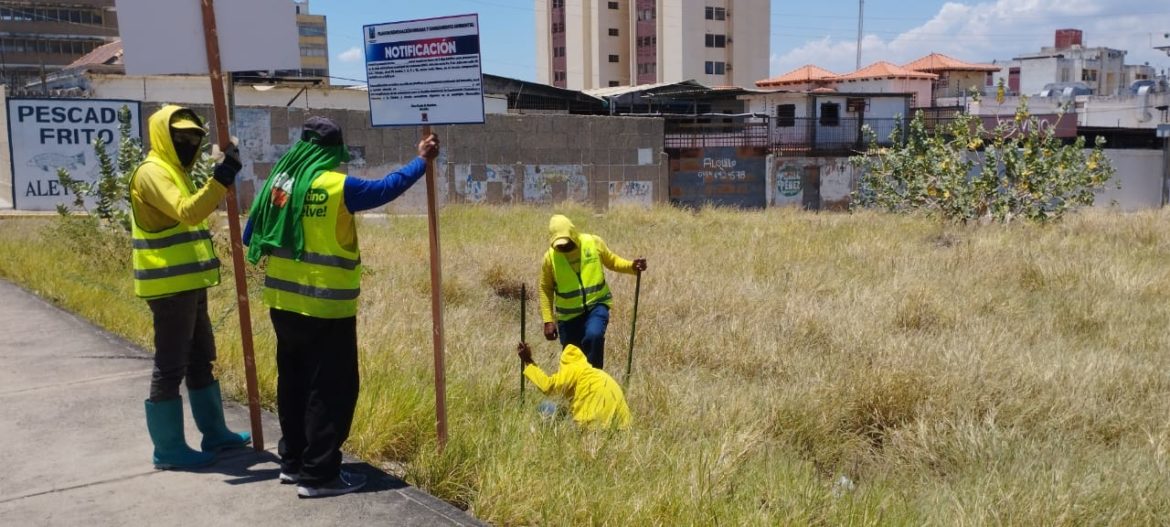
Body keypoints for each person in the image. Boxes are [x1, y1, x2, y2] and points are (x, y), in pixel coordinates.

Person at [244, 116, 439, 499]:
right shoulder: (336, 186)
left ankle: (293, 463)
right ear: (334, 150)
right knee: (329, 390)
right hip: (326, 307)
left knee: (293, 384)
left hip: (283, 304)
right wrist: (421, 161)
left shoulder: (278, 185)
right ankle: (319, 476)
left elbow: (252, 234)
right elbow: (386, 188)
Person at [130, 105, 250, 470]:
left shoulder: (174, 171)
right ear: (163, 136)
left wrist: (220, 172)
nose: (186, 143)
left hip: (190, 283)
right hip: (169, 288)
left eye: (192, 138)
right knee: (170, 367)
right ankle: (168, 450)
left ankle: (215, 434)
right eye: (179, 136)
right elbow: (188, 211)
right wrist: (222, 176)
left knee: (201, 359)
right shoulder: (153, 173)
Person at [539, 214, 647, 369]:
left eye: (566, 242)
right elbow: (545, 288)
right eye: (559, 244)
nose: (564, 247)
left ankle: (596, 381)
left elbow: (613, 261)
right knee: (572, 361)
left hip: (596, 306)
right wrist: (548, 321)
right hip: (568, 317)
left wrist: (632, 266)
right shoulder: (550, 258)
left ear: (573, 234)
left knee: (594, 336)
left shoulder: (593, 242)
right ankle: (576, 390)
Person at [517, 342, 631, 430]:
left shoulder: (573, 369)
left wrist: (528, 360)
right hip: (622, 428)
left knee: (545, 406)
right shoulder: (597, 373)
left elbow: (547, 386)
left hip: (592, 428)